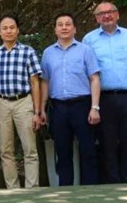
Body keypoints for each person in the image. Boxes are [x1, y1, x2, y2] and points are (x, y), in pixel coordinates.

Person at [82, 1, 127, 183]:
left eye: (110, 12)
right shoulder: (89, 40)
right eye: (101, 13)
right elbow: (85, 72)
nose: (106, 16)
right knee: (107, 143)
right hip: (104, 98)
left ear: (117, 15)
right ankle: (112, 184)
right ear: (96, 18)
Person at [40, 12, 101, 186]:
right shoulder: (48, 53)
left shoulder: (85, 50)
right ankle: (65, 190)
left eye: (68, 24)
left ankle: (89, 189)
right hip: (58, 107)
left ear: (74, 29)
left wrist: (95, 107)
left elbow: (95, 78)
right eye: (60, 24)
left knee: (88, 150)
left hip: (82, 105)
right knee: (62, 151)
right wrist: (42, 108)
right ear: (55, 30)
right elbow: (45, 81)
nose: (64, 27)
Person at [0, 14, 43, 189]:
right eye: (5, 28)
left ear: (18, 30)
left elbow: (35, 82)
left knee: (30, 149)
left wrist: (37, 112)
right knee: (6, 150)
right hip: (1, 103)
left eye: (12, 27)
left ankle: (32, 189)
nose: (8, 31)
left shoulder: (28, 52)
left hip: (23, 101)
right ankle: (13, 190)